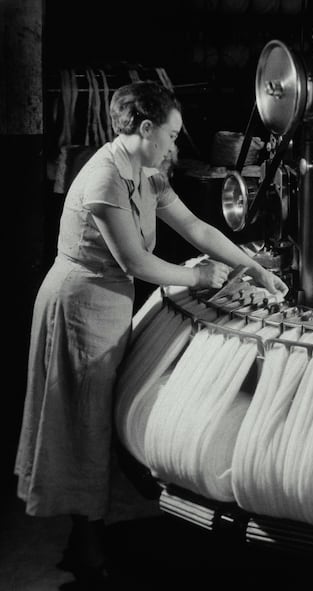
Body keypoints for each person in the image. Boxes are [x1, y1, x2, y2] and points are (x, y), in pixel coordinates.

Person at [13, 80, 288, 588]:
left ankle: (87, 531)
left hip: (109, 302)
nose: (175, 146)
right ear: (144, 129)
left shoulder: (146, 174)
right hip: (77, 304)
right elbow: (134, 261)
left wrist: (253, 268)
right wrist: (197, 277)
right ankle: (88, 542)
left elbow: (197, 229)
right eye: (171, 135)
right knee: (81, 420)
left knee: (96, 416)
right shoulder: (104, 179)